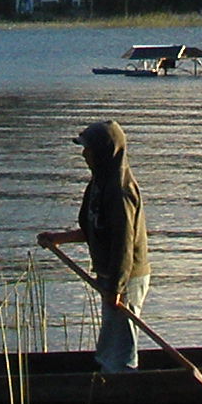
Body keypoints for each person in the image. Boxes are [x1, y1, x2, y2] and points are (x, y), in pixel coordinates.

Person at [43, 117, 150, 371]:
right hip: (110, 275)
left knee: (122, 341)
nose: (83, 154)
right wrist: (58, 238)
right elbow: (94, 229)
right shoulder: (98, 184)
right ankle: (107, 374)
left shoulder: (120, 191)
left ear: (103, 152)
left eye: (88, 149)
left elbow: (123, 244)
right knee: (111, 337)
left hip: (127, 276)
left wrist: (116, 287)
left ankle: (122, 382)